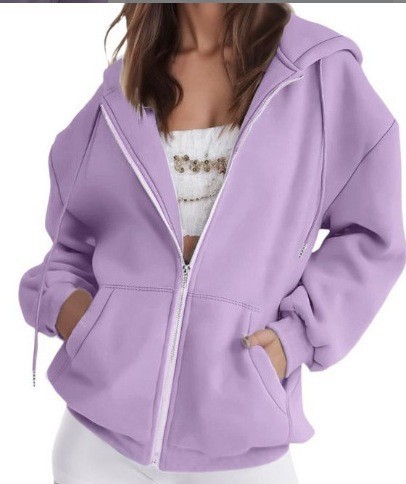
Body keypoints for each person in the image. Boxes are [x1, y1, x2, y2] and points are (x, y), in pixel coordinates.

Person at [18, 4, 406, 484]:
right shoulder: (123, 88)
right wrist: (73, 314)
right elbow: (70, 240)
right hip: (97, 449)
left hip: (240, 448)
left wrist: (296, 338)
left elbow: (371, 232)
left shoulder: (318, 73)